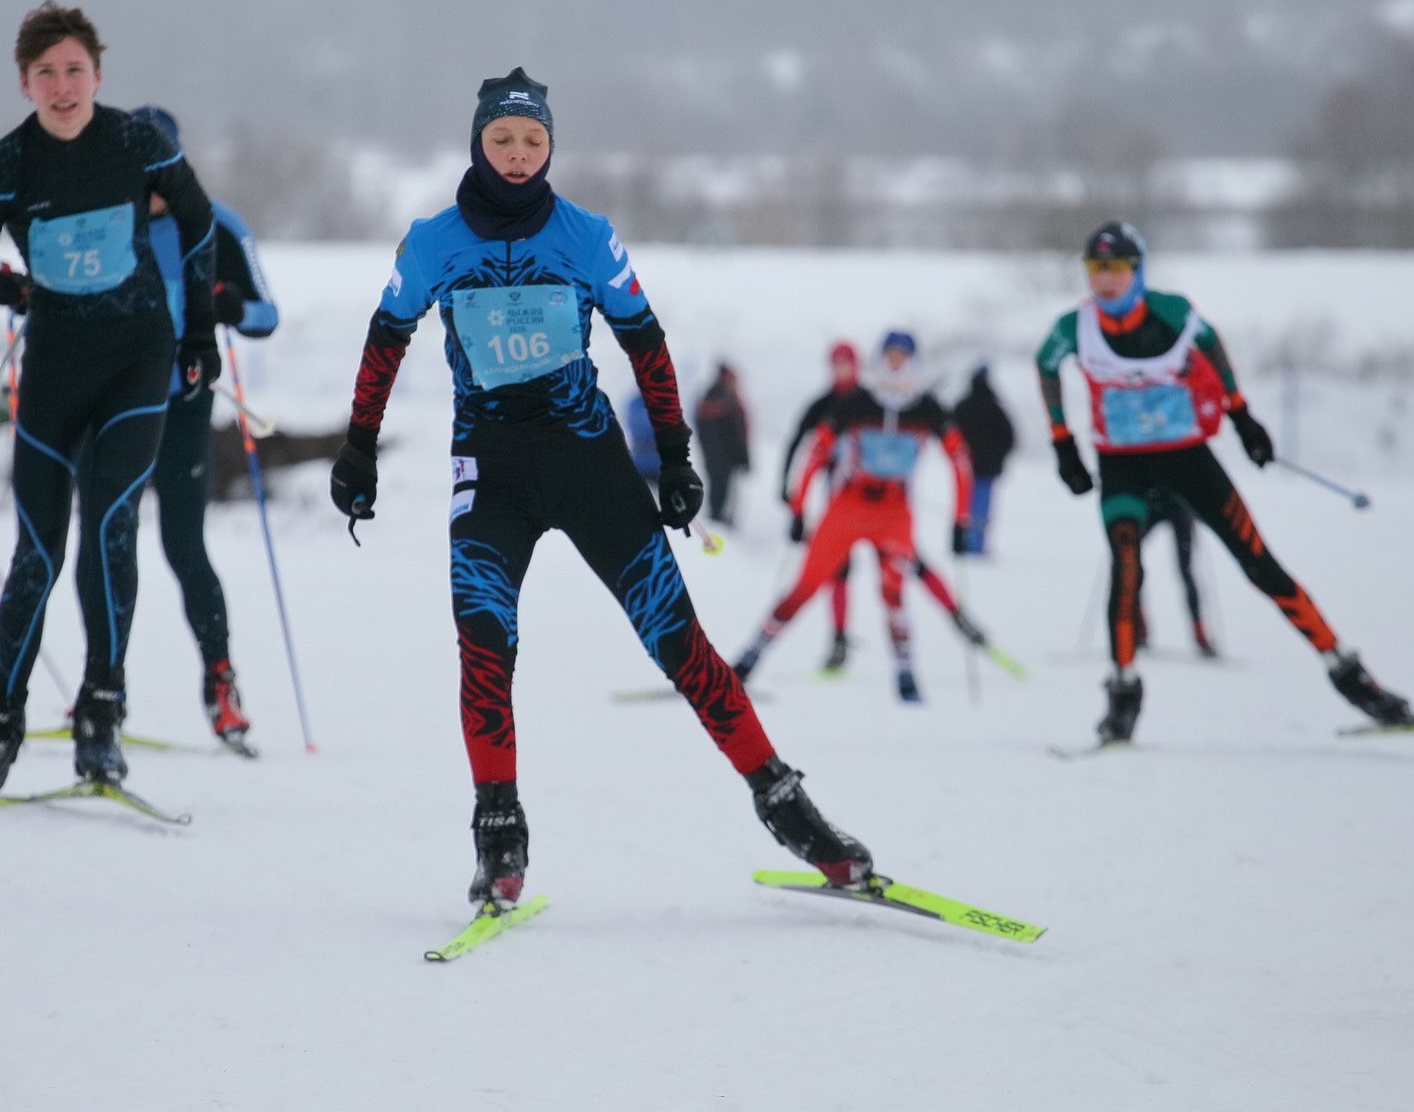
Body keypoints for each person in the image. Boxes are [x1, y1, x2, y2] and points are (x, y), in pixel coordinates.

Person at [329, 68, 873, 906]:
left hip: (591, 467)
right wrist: (358, 448)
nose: (517, 156)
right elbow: (385, 339)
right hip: (491, 474)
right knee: (484, 648)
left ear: (552, 148)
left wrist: (678, 456)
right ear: (478, 145)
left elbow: (645, 344)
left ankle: (789, 807)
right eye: (502, 140)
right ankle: (499, 833)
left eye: (533, 141)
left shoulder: (586, 235)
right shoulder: (433, 241)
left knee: (681, 647)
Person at [0, 0, 220, 795]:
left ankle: (101, 710)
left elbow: (197, 222)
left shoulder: (136, 141)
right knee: (37, 555)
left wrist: (198, 338)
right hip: (51, 371)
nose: (62, 86)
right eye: (45, 73)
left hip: (135, 361)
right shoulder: (6, 165)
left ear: (98, 73)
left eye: (74, 69)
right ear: (24, 83)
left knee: (111, 528)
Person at [1037, 221, 1414, 742]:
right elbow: (1046, 365)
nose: (1105, 280)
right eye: (1095, 268)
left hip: (1187, 457)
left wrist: (1243, 418)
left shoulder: (1172, 313)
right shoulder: (1074, 327)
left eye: (1117, 269)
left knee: (1258, 563)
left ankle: (1351, 676)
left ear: (1138, 272)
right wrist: (1063, 443)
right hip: (1121, 462)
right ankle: (1123, 694)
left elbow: (1213, 348)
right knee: (1126, 565)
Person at [0, 104, 279, 751]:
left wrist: (232, 306)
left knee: (183, 546)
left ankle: (220, 681)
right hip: (108, 399)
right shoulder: (96, 211)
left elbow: (266, 313)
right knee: (99, 543)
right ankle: (102, 691)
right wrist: (25, 293)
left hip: (182, 403)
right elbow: (62, 288)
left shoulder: (213, 222)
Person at [733, 330, 974, 702]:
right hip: (848, 506)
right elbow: (814, 452)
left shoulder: (926, 407)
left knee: (893, 591)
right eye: (889, 356)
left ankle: (906, 677)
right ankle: (748, 661)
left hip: (894, 510)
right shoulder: (857, 402)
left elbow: (960, 460)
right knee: (807, 585)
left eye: (902, 357)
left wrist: (961, 518)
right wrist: (798, 507)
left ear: (913, 361)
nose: (895, 364)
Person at [779, 341, 862, 670]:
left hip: (877, 500)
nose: (841, 370)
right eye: (836, 364)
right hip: (837, 496)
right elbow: (797, 441)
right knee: (838, 567)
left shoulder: (868, 400)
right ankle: (840, 638)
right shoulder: (822, 403)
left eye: (847, 364)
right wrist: (786, 489)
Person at [1134, 489, 1217, 658]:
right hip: (1172, 501)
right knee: (1131, 562)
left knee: (1130, 562)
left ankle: (1199, 634)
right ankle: (1140, 628)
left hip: (1163, 501)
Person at [951, 364, 1015, 556]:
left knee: (964, 506)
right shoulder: (995, 407)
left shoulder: (962, 406)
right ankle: (976, 547)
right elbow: (1010, 437)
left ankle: (963, 545)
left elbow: (950, 434)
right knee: (981, 508)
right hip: (987, 468)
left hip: (966, 467)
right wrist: (997, 456)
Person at [693, 362, 750, 527]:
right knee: (720, 491)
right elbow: (734, 432)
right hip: (721, 457)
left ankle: (719, 522)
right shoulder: (722, 398)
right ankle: (717, 524)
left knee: (722, 491)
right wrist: (739, 455)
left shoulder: (719, 396)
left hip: (722, 457)